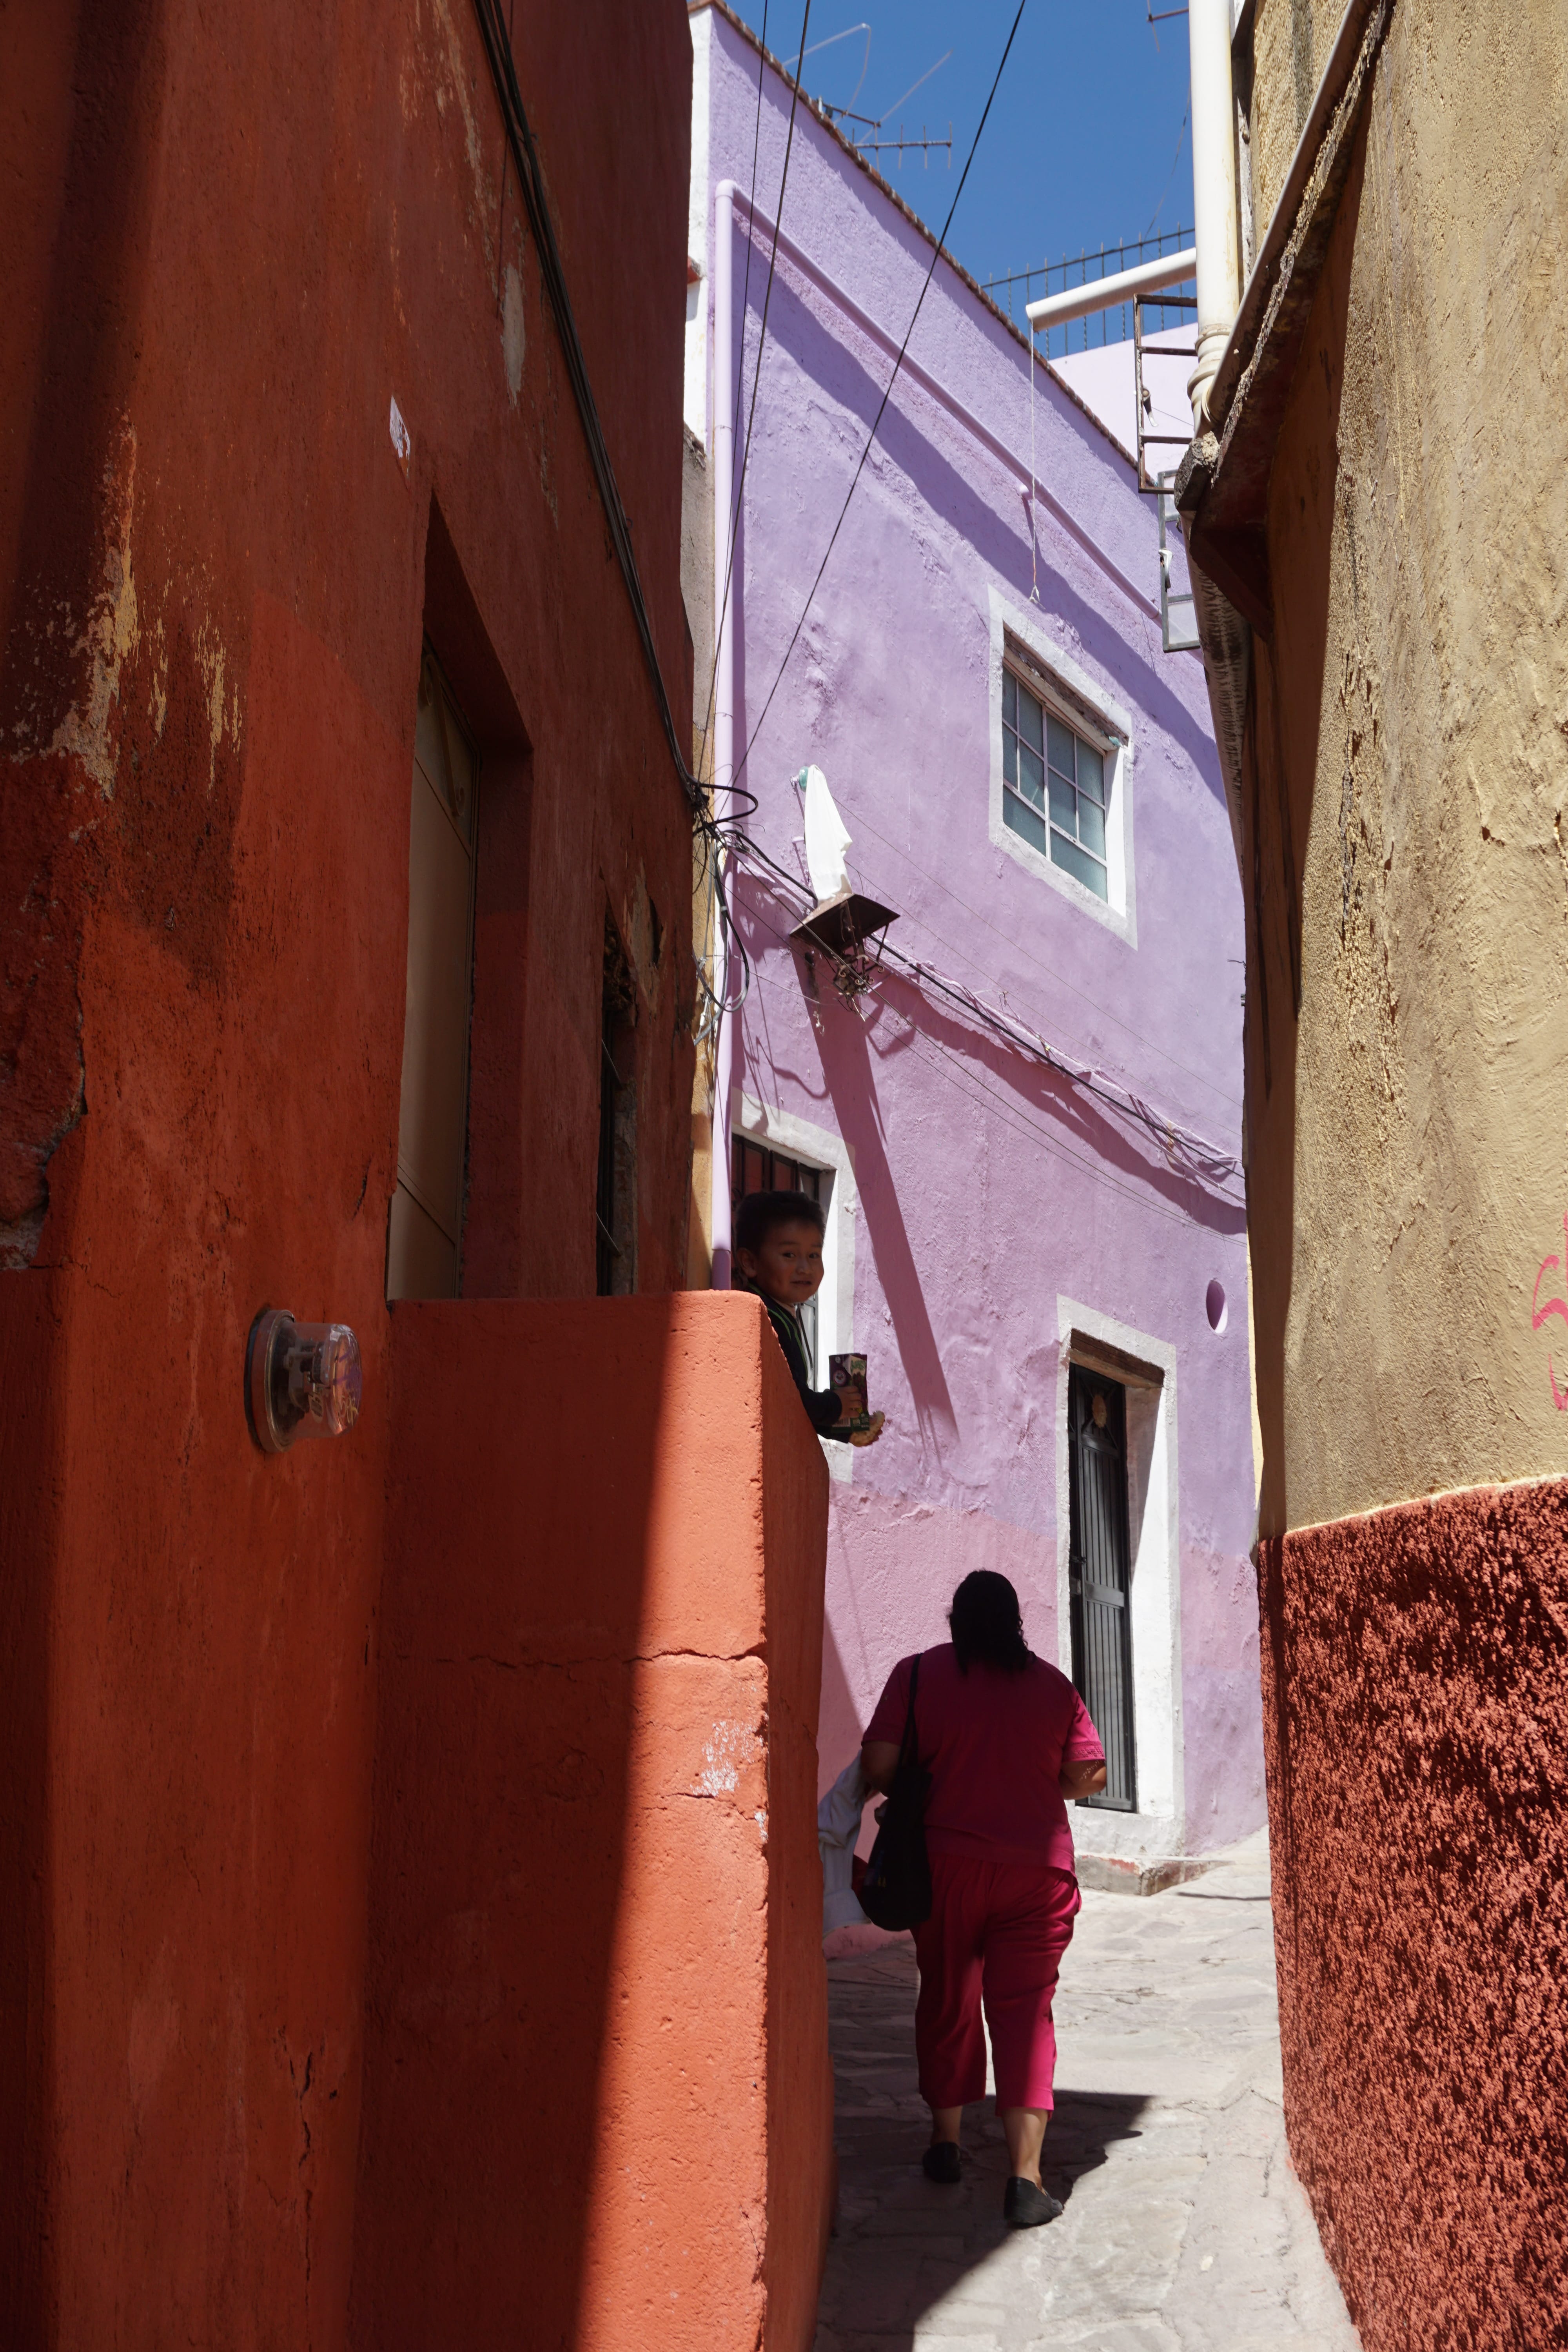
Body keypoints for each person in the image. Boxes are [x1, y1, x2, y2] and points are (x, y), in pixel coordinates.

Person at [861, 1570, 1106, 2228]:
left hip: (942, 1870)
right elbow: (1091, 1773)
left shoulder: (916, 1675)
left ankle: (946, 2142)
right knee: (1027, 2015)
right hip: (1036, 1872)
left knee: (948, 1999)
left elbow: (880, 1767)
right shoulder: (1054, 1686)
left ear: (955, 1621)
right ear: (1016, 1623)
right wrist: (1027, 1778)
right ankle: (1025, 2180)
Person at [733, 1190, 884, 1447]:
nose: (805, 1268)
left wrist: (846, 1429)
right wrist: (836, 1404)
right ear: (750, 1262)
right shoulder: (765, 1319)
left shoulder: (782, 1314)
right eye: (790, 1255)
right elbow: (790, 1401)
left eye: (814, 1255)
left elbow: (798, 1411)